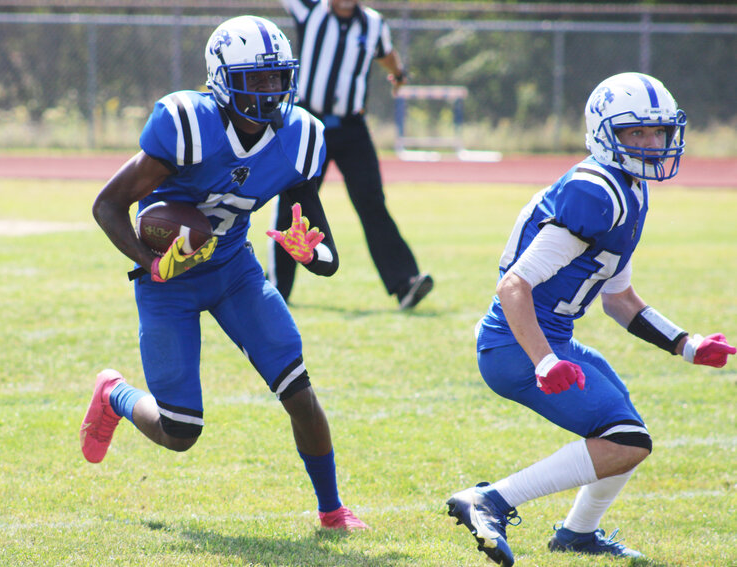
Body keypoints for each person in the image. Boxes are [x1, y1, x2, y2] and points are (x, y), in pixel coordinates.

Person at [79, 15, 367, 532]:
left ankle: (332, 511)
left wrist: (308, 254)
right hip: (170, 282)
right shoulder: (188, 124)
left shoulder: (300, 137)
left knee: (299, 391)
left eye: (278, 76)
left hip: (235, 271)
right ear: (220, 78)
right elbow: (107, 205)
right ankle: (115, 394)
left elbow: (326, 255)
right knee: (181, 430)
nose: (270, 89)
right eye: (255, 79)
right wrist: (152, 265)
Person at [446, 72, 735, 566]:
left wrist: (686, 344)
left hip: (552, 339)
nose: (650, 144)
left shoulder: (628, 189)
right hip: (519, 345)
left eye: (657, 132)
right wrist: (542, 362)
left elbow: (618, 299)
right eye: (634, 133)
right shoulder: (595, 193)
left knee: (625, 430)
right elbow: (513, 286)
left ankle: (578, 534)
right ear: (605, 133)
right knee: (627, 440)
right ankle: (491, 500)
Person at [268, 0, 433, 310]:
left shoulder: (373, 23)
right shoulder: (310, 9)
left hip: (352, 127)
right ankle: (277, 289)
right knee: (292, 204)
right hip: (309, 123)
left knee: (372, 203)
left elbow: (385, 54)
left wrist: (398, 74)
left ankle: (405, 283)